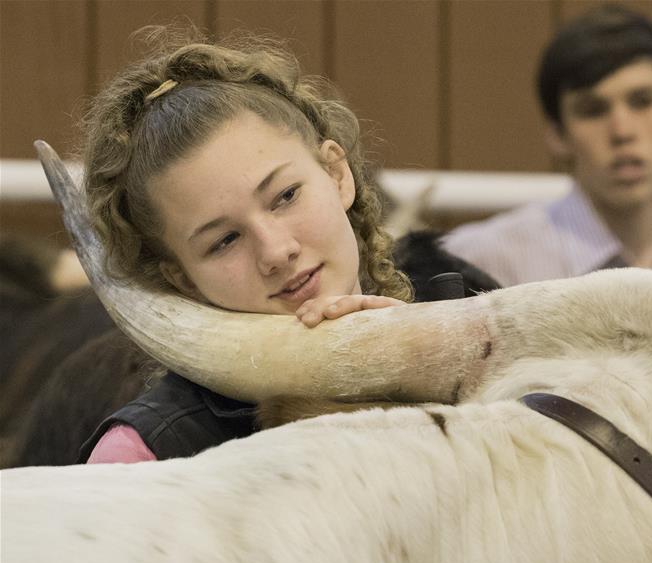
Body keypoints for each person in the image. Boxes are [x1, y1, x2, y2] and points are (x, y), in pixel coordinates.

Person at [75, 29, 490, 465]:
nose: (275, 252)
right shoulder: (142, 455)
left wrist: (432, 374)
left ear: (336, 174)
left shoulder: (486, 349)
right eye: (225, 241)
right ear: (183, 278)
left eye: (286, 196)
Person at [441, 4, 652, 310]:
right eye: (593, 110)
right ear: (558, 135)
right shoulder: (485, 261)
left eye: (642, 101)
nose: (622, 131)